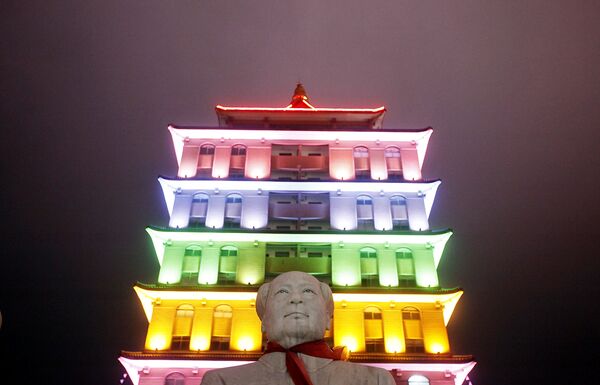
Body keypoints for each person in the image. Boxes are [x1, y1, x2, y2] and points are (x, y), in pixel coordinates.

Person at [200, 271, 395, 385]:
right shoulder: (222, 381)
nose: (296, 299)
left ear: (328, 319)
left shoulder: (374, 380)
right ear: (264, 321)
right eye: (282, 292)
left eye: (308, 291)